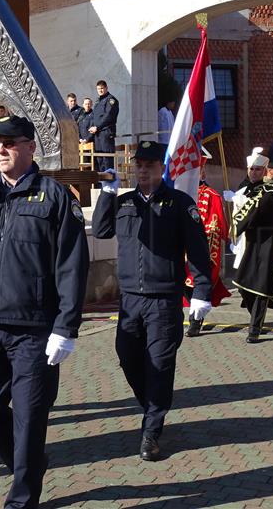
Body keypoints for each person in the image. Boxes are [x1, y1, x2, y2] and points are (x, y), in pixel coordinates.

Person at [0, 116, 89, 508]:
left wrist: (66, 327)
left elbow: (73, 265)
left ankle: (22, 497)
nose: (1, 151)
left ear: (30, 147)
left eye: (9, 143)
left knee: (29, 417)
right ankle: (28, 465)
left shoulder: (54, 197)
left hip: (34, 328)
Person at [92, 141, 212, 462]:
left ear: (162, 168)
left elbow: (199, 251)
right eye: (139, 165)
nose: (142, 170)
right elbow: (102, 230)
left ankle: (151, 431)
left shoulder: (179, 203)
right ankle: (153, 407)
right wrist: (107, 194)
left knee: (159, 365)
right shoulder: (126, 202)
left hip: (163, 301)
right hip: (130, 300)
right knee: (128, 357)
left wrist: (201, 291)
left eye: (149, 165)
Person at [231, 148, 273, 342]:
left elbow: (253, 211)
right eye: (250, 169)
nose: (253, 172)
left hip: (267, 245)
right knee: (243, 286)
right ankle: (255, 319)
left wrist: (232, 228)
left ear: (264, 171)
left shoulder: (271, 193)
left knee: (261, 287)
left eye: (257, 169)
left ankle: (255, 328)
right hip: (249, 244)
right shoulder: (246, 189)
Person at [185, 150, 230, 337]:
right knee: (185, 285)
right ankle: (195, 314)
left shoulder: (212, 196)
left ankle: (195, 322)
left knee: (200, 283)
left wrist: (227, 240)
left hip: (205, 248)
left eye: (199, 170)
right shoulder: (182, 193)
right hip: (183, 248)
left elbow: (218, 223)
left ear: (203, 172)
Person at [89, 80, 119, 172]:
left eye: (102, 88)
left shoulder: (111, 100)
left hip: (106, 133)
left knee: (107, 160)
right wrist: (91, 128)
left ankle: (109, 184)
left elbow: (108, 116)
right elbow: (94, 116)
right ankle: (101, 184)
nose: (100, 90)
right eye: (98, 89)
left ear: (106, 88)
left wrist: (97, 127)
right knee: (99, 159)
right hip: (97, 134)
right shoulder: (98, 101)